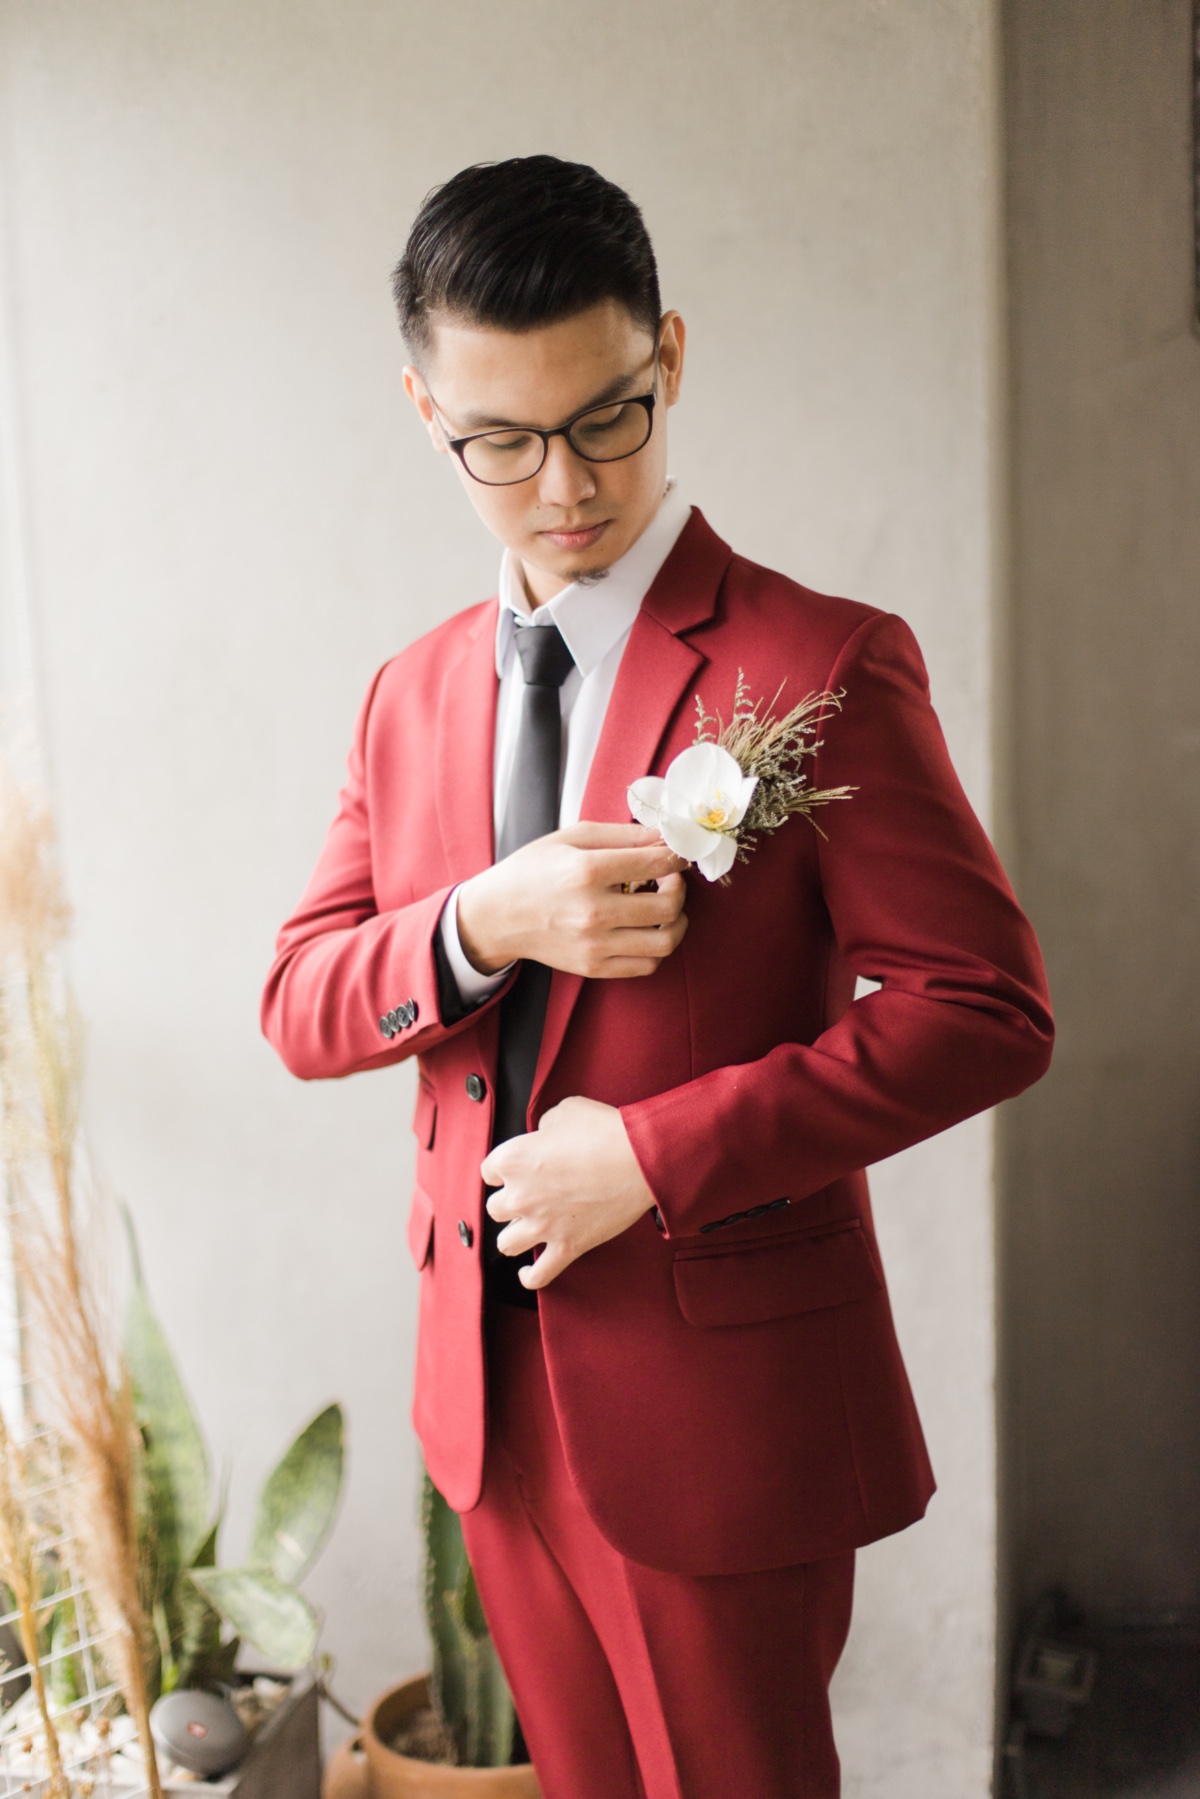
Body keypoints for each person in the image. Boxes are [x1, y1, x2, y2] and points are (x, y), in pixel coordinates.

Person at [262, 155, 1053, 1799]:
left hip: (719, 1398)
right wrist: (485, 921)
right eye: (501, 440)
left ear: (669, 358)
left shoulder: (819, 662)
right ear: (427, 413)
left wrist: (651, 1153)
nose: (563, 484)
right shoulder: (407, 697)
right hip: (486, 1402)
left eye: (608, 416)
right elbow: (305, 1001)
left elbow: (984, 1012)